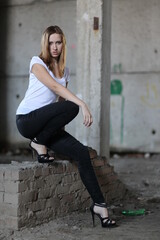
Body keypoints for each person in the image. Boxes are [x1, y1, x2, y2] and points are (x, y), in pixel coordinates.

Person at [16, 25, 116, 228]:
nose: (54, 47)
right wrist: (82, 104)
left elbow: (59, 108)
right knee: (73, 106)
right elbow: (54, 87)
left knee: (80, 152)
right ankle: (38, 142)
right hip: (26, 120)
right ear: (46, 44)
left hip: (45, 128)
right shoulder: (36, 63)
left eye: (58, 42)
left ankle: (100, 206)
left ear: (63, 44)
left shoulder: (64, 72)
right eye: (51, 42)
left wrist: (60, 138)